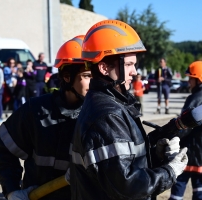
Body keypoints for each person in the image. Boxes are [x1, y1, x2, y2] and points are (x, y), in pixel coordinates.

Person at [70, 19, 191, 200]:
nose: (134, 71)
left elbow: (120, 164)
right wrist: (169, 171)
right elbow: (127, 185)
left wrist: (154, 155)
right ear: (104, 68)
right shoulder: (107, 114)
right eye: (128, 65)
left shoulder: (109, 103)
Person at [0, 35, 92, 200]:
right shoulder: (35, 110)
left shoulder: (97, 114)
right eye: (87, 76)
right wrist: (12, 190)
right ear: (67, 77)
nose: (94, 83)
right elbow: (3, 147)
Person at [169, 61, 202, 200]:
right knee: (199, 183)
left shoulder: (195, 98)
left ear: (198, 79)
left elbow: (185, 126)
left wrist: (172, 134)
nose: (188, 82)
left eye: (190, 78)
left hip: (192, 150)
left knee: (179, 180)